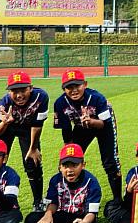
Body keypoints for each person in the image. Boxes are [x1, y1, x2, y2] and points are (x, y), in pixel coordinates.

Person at [52, 68, 123, 202]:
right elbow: (66, 129)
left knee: (110, 162)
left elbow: (104, 124)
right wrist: (68, 147)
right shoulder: (60, 103)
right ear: (63, 89)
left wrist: (90, 121)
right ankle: (68, 197)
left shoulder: (97, 98)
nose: (74, 90)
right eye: (69, 87)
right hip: (81, 127)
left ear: (85, 84)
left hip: (102, 125)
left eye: (77, 86)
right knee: (70, 159)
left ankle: (118, 199)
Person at [24, 143, 101, 223]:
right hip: (62, 215)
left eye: (74, 165)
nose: (69, 170)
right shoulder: (55, 180)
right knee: (31, 218)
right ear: (60, 167)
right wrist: (48, 214)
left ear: (83, 165)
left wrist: (84, 222)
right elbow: (53, 202)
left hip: (81, 218)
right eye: (65, 166)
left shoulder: (92, 183)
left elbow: (92, 213)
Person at [0, 71, 48, 210]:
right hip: (8, 128)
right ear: (9, 92)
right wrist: (4, 123)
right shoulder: (4, 103)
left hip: (28, 128)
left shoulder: (41, 97)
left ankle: (38, 202)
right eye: (14, 91)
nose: (19, 95)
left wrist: (33, 148)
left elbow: (37, 125)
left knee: (32, 162)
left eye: (23, 90)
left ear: (31, 88)